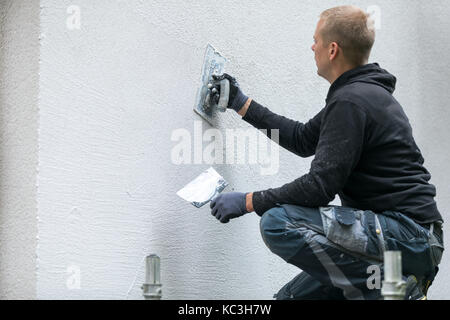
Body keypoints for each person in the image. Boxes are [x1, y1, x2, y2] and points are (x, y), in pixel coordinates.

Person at [208, 5, 444, 300]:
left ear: (332, 49)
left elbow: (319, 188)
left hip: (409, 237)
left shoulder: (352, 101)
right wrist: (242, 104)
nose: (312, 46)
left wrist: (248, 201)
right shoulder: (358, 96)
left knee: (278, 223)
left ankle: (393, 289)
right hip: (407, 239)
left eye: (316, 40)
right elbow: (302, 139)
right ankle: (385, 287)